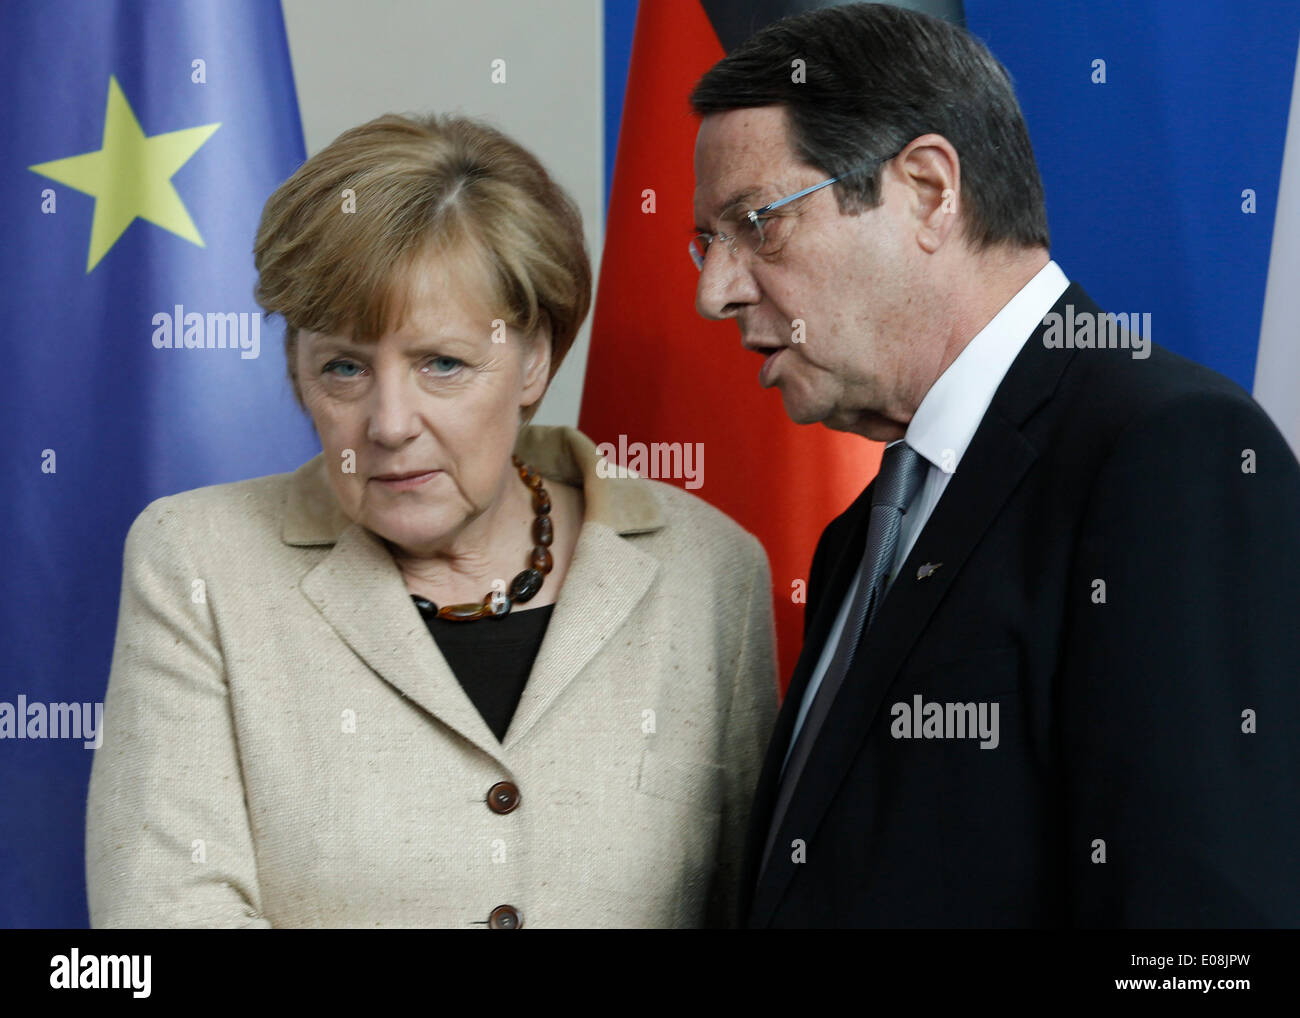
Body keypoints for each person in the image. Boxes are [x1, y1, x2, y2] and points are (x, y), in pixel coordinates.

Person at [689, 2, 1300, 927]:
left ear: (930, 190)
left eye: (756, 224)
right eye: (707, 242)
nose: (713, 292)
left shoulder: (1168, 454)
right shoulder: (868, 530)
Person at [86, 112, 778, 928]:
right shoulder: (198, 564)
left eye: (441, 364)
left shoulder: (710, 570)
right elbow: (162, 919)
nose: (388, 423)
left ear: (534, 361)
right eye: (343, 367)